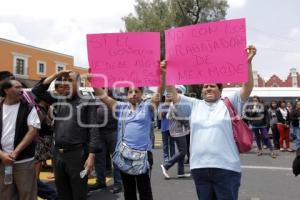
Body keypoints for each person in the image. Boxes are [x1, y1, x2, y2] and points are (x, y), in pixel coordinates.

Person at [165, 45, 256, 200]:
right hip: (199, 168)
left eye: (212, 86)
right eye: (206, 86)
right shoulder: (193, 105)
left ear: (220, 90)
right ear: (202, 91)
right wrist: (166, 72)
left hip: (226, 168)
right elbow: (172, 93)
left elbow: (247, 87)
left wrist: (247, 63)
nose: (208, 88)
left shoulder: (230, 103)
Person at [91, 61, 165, 200]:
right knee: (129, 191)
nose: (133, 94)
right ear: (126, 95)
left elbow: (158, 94)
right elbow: (104, 97)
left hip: (143, 156)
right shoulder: (121, 107)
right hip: (124, 155)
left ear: (142, 93)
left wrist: (162, 76)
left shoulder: (148, 108)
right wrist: (93, 81)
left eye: (136, 91)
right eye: (130, 92)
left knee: (145, 190)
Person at [32, 70, 100, 200]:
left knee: (79, 193)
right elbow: (37, 91)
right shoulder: (59, 99)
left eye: (70, 80)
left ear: (79, 83)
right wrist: (56, 75)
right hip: (58, 154)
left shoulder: (88, 100)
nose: (66, 83)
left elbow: (93, 129)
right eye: (64, 80)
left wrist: (91, 156)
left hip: (78, 154)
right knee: (62, 193)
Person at [0, 79, 40, 200]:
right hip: (2, 162)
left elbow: (32, 131)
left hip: (23, 161)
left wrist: (15, 153)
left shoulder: (28, 107)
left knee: (27, 194)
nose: (21, 90)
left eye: (21, 87)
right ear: (6, 90)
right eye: (17, 87)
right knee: (5, 194)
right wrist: (2, 155)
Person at [89, 92, 122, 194]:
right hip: (99, 132)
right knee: (99, 159)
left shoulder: (116, 96)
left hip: (113, 131)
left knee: (116, 158)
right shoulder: (95, 97)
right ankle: (100, 182)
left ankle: (118, 183)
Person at [160, 85, 190, 179]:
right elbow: (182, 119)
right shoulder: (175, 105)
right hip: (178, 131)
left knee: (182, 151)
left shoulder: (177, 103)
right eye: (178, 92)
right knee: (183, 151)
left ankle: (180, 172)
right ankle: (166, 165)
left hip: (180, 130)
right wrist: (189, 125)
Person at [158, 96, 175, 162]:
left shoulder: (173, 105)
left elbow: (175, 115)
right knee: (165, 144)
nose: (168, 98)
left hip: (172, 127)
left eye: (169, 97)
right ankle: (166, 157)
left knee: (172, 143)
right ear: (165, 98)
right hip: (164, 127)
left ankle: (173, 156)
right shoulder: (161, 105)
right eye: (167, 97)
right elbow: (159, 117)